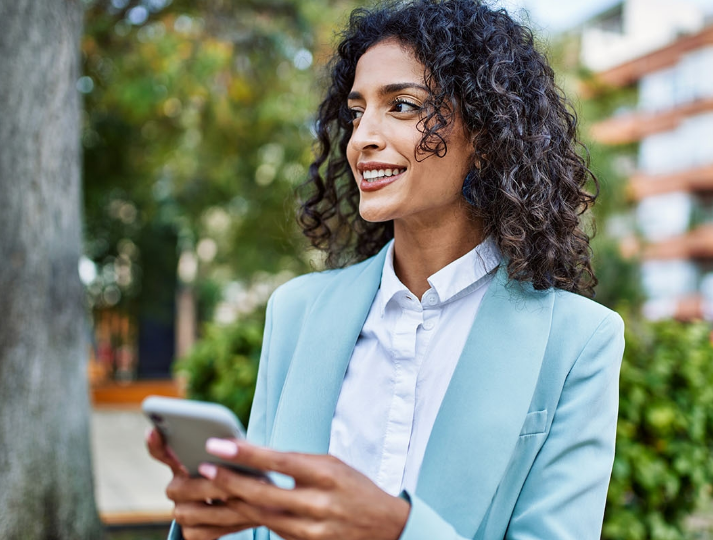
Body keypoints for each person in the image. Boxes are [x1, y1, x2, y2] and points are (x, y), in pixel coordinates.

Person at [147, 1, 625, 538]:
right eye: (356, 112)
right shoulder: (298, 311)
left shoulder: (578, 341)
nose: (362, 138)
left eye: (400, 105)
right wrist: (207, 526)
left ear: (487, 135)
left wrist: (396, 528)